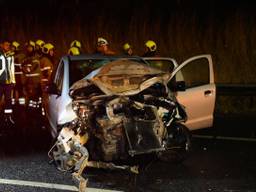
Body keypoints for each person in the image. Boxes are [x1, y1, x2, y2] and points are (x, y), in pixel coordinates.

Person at [22, 40, 41, 109]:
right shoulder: (25, 58)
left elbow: (32, 68)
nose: (29, 49)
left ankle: (36, 112)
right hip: (28, 82)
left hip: (36, 82)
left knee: (36, 99)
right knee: (29, 100)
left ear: (33, 48)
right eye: (27, 47)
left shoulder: (37, 57)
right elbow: (23, 69)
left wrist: (26, 68)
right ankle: (30, 113)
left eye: (30, 47)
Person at [0, 40, 16, 124]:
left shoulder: (11, 55)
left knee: (8, 100)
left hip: (8, 83)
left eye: (9, 45)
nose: (8, 46)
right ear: (1, 45)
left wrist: (13, 81)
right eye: (6, 45)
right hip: (0, 82)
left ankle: (8, 117)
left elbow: (12, 68)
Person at [11, 41, 26, 105]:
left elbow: (21, 66)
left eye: (13, 47)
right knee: (14, 91)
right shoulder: (12, 55)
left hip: (20, 77)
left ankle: (21, 105)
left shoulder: (21, 56)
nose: (12, 49)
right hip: (13, 76)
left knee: (20, 91)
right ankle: (13, 104)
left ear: (16, 48)